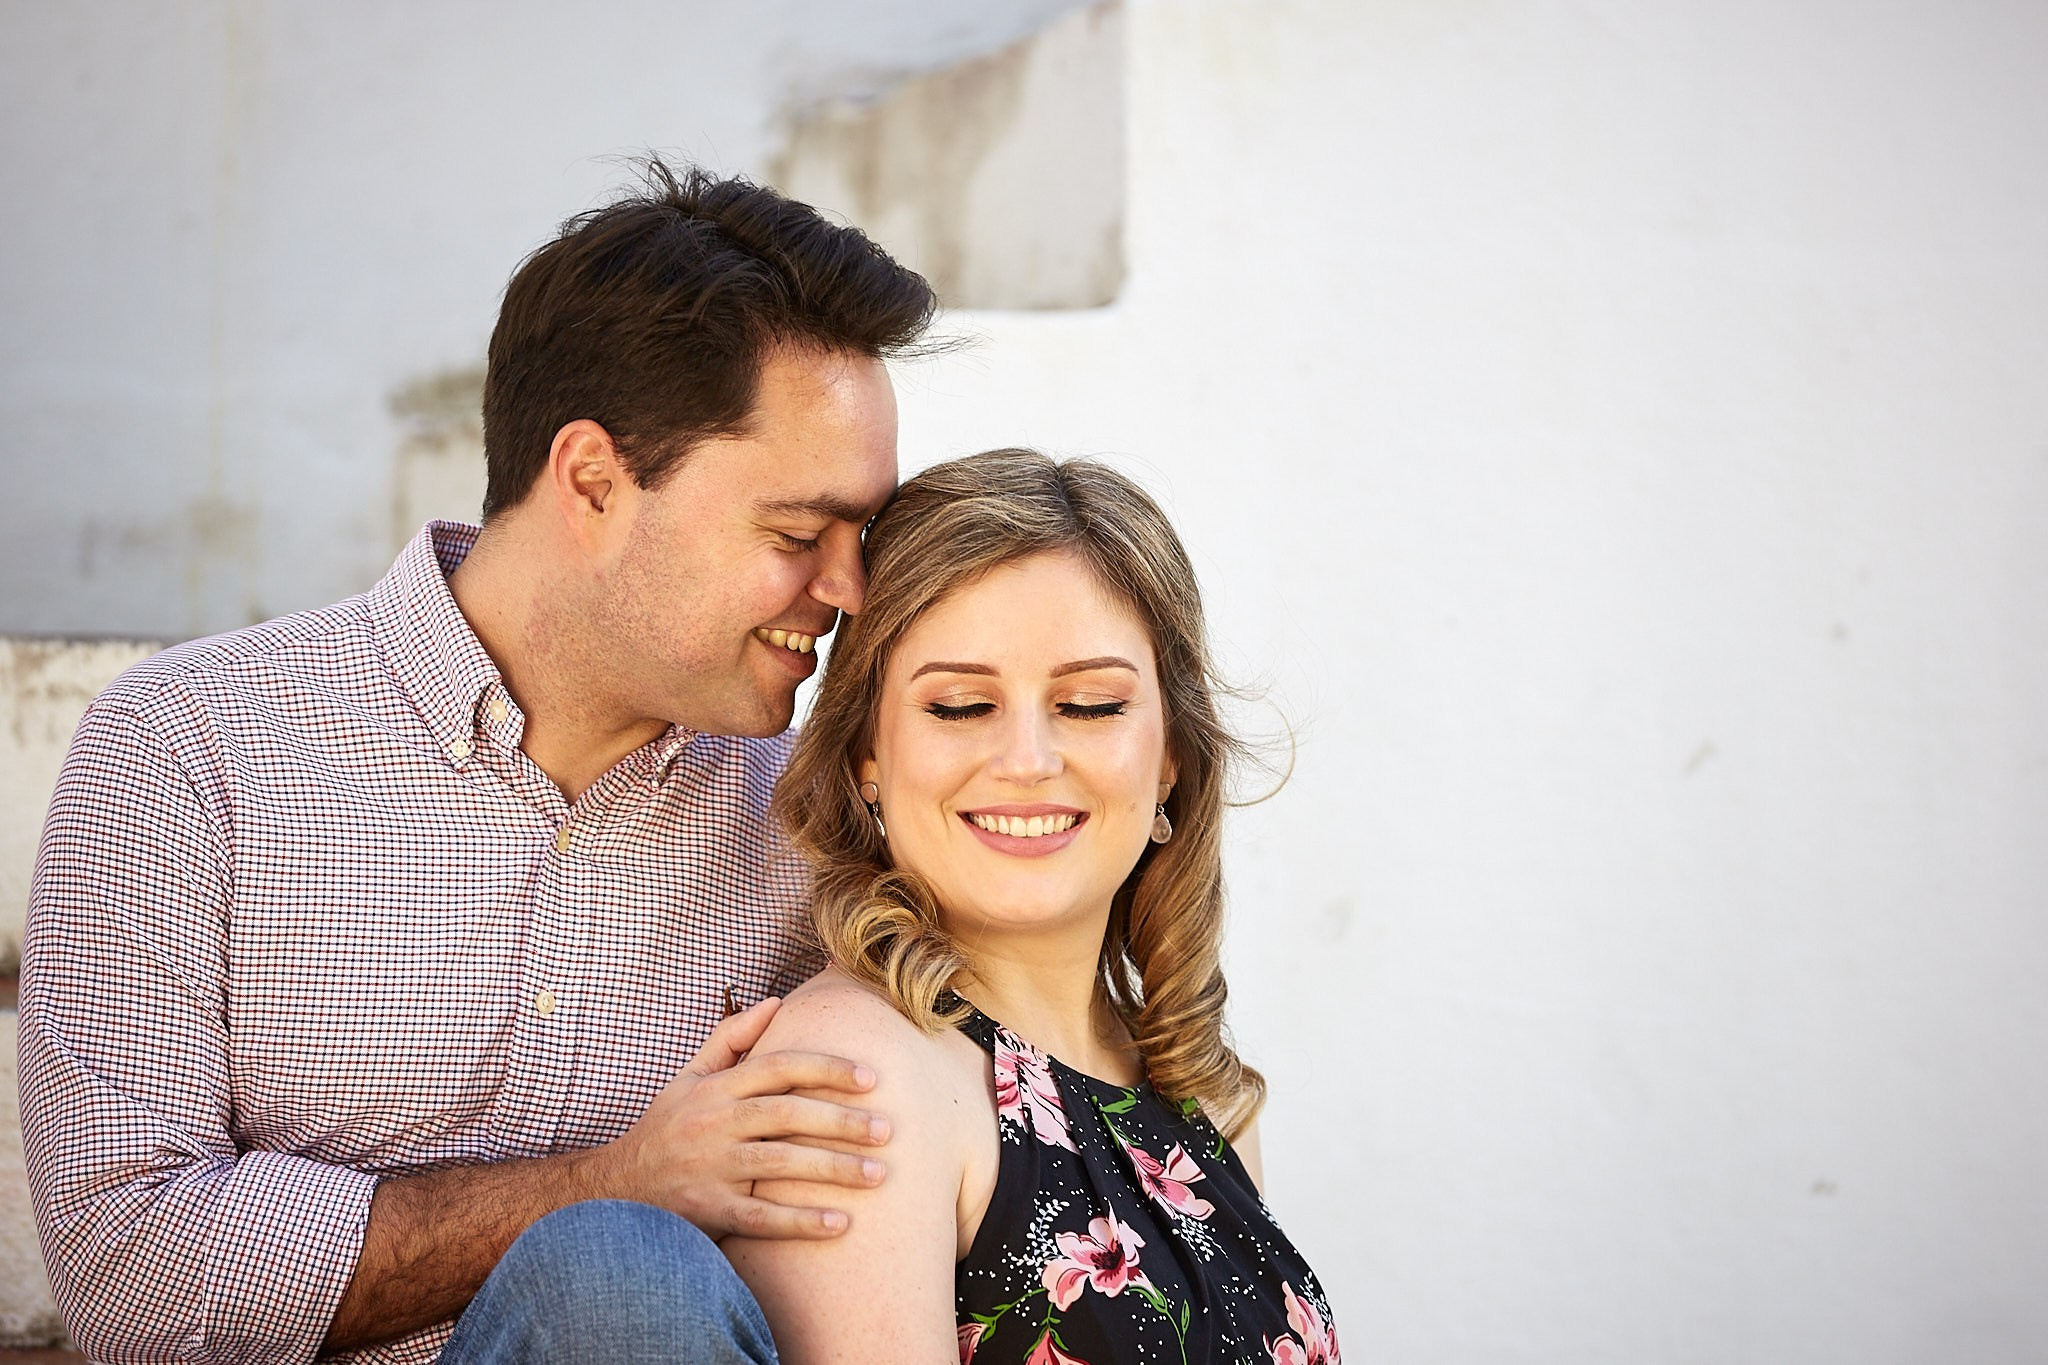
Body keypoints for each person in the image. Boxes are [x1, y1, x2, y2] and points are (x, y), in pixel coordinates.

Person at [19, 161, 937, 1362]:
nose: (849, 591)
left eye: (861, 537)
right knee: (611, 1269)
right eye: (797, 534)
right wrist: (617, 1183)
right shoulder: (191, 751)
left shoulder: (814, 815)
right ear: (595, 483)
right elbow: (126, 1269)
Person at [726, 449, 1342, 1363]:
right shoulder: (856, 1076)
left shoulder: (1202, 1091)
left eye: (1090, 705)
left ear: (1170, 751)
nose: (1028, 758)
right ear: (866, 756)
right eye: (963, 705)